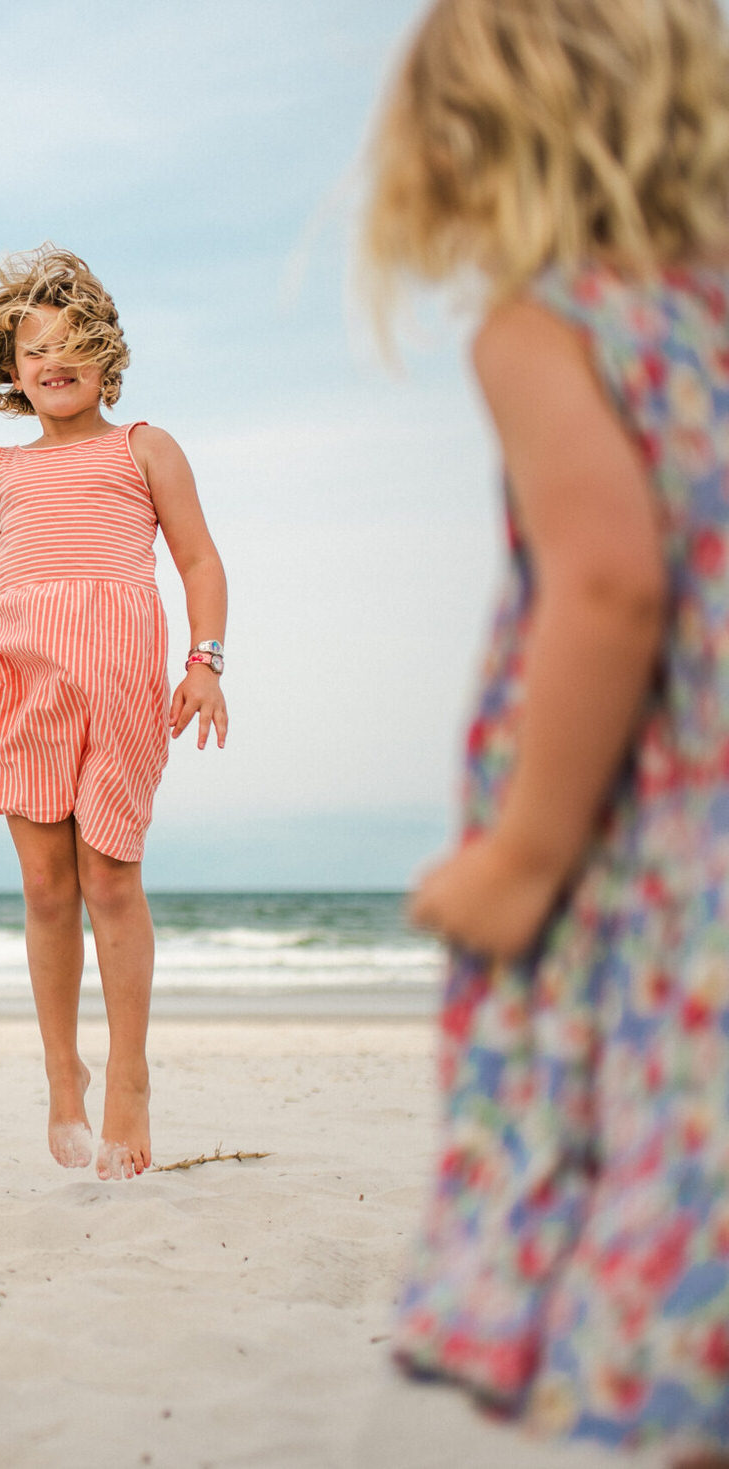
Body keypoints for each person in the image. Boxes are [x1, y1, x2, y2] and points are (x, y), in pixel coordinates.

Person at [366, 0, 729, 1458]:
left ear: (465, 148)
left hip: (669, 851)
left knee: (672, 1160)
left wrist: (523, 851)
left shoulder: (549, 325)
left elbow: (606, 584)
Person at [0, 246, 229, 1182]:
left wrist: (206, 660)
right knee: (47, 887)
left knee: (108, 877)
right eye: (34, 352)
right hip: (24, 682)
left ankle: (129, 1078)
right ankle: (64, 1070)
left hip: (120, 681)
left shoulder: (143, 446)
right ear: (10, 374)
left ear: (106, 355)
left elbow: (199, 562)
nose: (53, 363)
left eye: (72, 346)